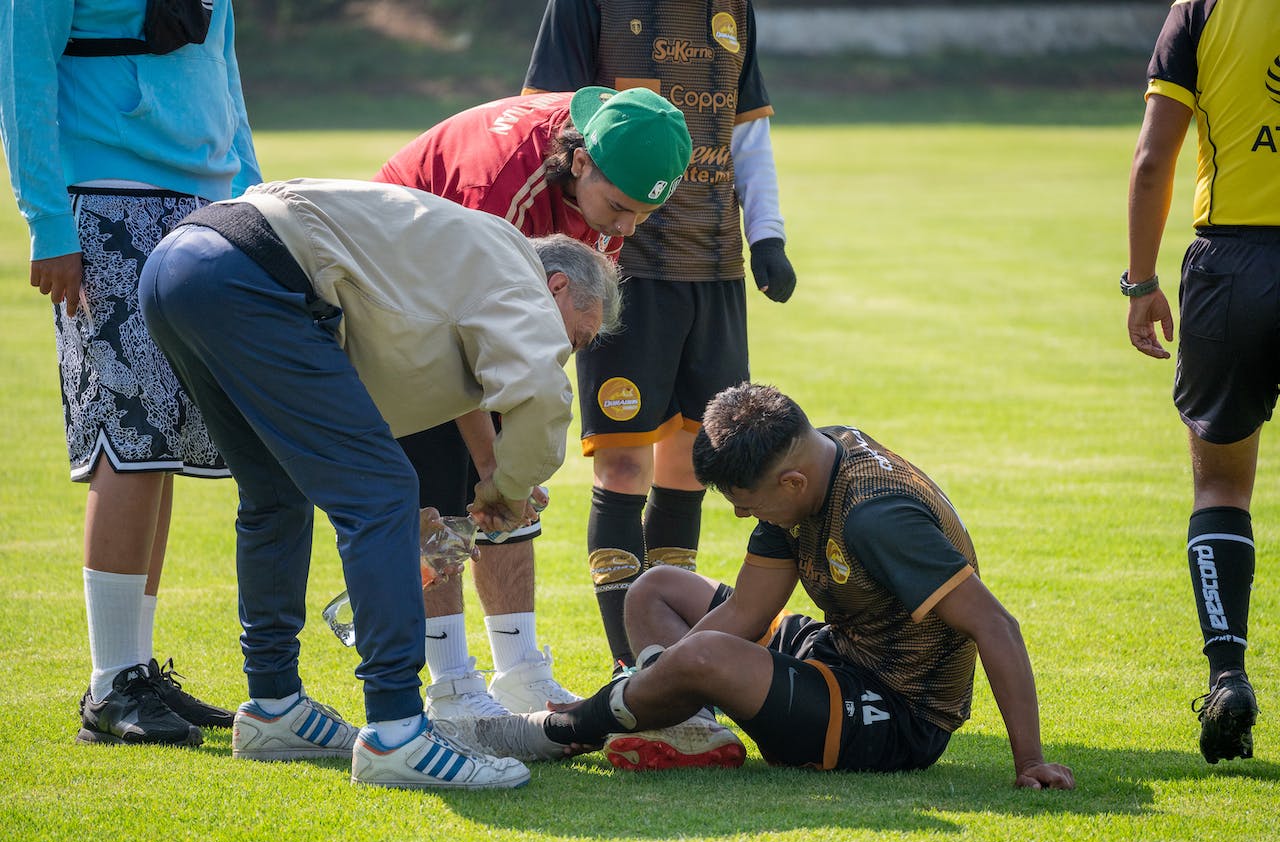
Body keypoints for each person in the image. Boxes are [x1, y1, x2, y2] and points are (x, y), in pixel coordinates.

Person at [138, 177, 620, 790]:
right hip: (250, 274)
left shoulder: (464, 260)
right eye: (575, 335)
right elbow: (541, 392)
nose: (568, 351)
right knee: (385, 492)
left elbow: (373, 388)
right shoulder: (516, 272)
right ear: (557, 287)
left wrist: (483, 481)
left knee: (275, 494)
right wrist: (509, 489)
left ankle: (274, 708)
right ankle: (397, 732)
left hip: (179, 266)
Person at [455, 384, 1075, 789]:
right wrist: (668, 677)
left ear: (791, 484)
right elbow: (749, 610)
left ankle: (560, 733)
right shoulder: (809, 465)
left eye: (744, 501)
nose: (740, 515)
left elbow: (997, 625)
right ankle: (687, 726)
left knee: (702, 654)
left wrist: (1030, 762)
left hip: (895, 715)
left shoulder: (875, 516)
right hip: (842, 653)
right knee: (655, 590)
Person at [373, 86, 691, 719]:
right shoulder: (495, 190)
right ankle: (452, 687)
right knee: (445, 489)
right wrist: (493, 468)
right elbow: (455, 345)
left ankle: (518, 672)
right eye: (620, 209)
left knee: (506, 477)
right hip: (398, 304)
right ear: (580, 164)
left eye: (642, 217)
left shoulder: (612, 167)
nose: (626, 229)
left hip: (460, 303)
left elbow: (547, 339)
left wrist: (512, 464)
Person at [0, 0, 261, 746]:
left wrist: (251, 202)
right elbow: (21, 79)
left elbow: (224, 76)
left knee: (167, 444)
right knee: (128, 435)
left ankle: (136, 668)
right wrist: (49, 224)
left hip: (207, 204)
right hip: (107, 197)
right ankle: (111, 683)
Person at [522, 0, 798, 673]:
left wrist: (766, 237)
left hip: (712, 265)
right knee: (621, 465)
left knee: (692, 467)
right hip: (620, 268)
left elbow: (748, 134)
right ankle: (632, 665)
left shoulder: (733, 8)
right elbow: (547, 124)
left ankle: (672, 659)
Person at [1123, 0, 1277, 765]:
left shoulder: (1204, 7)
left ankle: (1227, 676)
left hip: (1234, 267)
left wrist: (1141, 281)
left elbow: (1154, 159)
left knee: (1221, 489)